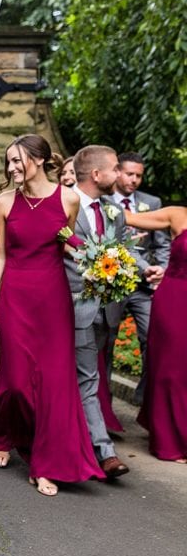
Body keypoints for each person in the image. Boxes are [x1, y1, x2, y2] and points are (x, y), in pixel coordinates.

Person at [0, 134, 104, 496]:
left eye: (17, 160)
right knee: (17, 381)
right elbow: (0, 254)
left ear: (38, 160)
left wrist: (93, 265)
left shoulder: (68, 198)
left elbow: (65, 241)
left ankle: (43, 461)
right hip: (16, 297)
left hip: (53, 298)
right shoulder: (4, 202)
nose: (11, 168)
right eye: (9, 162)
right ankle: (6, 431)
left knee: (53, 382)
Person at [65, 145, 155, 478]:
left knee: (90, 377)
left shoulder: (112, 208)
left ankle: (82, 443)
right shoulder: (63, 203)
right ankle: (104, 451)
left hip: (107, 309)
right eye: (116, 169)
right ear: (96, 174)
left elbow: (120, 252)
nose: (120, 174)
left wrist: (142, 270)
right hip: (72, 307)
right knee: (87, 379)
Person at [124, 205, 187, 463]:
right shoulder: (178, 214)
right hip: (175, 300)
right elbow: (123, 219)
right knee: (171, 371)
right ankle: (171, 440)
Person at [114, 151, 170, 404]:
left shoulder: (153, 202)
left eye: (138, 175)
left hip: (145, 287)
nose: (134, 180)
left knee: (155, 339)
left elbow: (163, 244)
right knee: (105, 343)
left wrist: (162, 272)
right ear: (117, 172)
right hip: (112, 284)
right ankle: (103, 404)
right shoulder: (103, 202)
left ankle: (144, 398)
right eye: (129, 174)